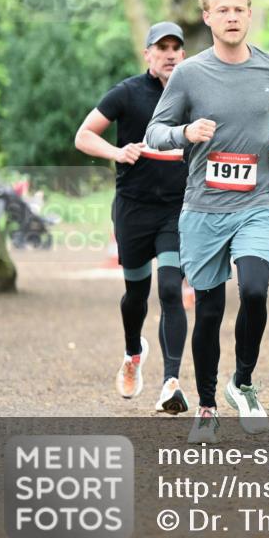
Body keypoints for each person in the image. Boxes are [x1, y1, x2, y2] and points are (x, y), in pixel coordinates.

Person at [145, 0, 269, 444]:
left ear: (249, 15)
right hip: (203, 209)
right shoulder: (190, 73)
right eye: (223, 10)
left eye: (240, 9)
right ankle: (207, 407)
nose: (232, 17)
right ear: (208, 18)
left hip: (257, 203)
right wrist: (185, 133)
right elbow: (157, 131)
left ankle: (243, 382)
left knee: (255, 290)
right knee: (211, 311)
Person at [74, 22, 191, 415]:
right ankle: (132, 351)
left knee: (171, 289)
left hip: (177, 208)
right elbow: (84, 135)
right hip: (134, 208)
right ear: (148, 54)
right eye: (162, 48)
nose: (170, 54)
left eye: (176, 47)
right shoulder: (127, 92)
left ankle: (171, 383)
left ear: (184, 54)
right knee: (136, 294)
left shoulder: (194, 93)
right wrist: (117, 152)